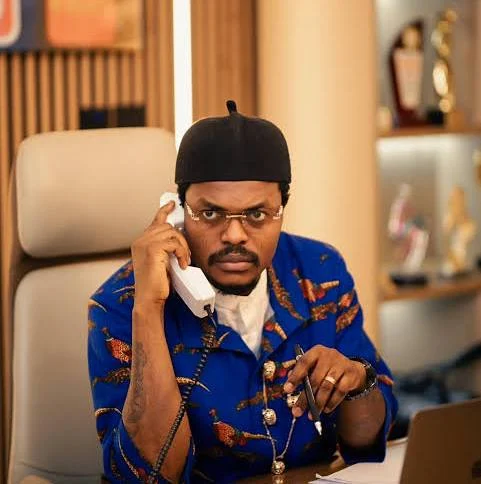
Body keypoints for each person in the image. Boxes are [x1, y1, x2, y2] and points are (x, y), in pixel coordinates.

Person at [88, 101, 398, 483]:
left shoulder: (320, 273)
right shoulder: (119, 304)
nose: (234, 235)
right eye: (210, 213)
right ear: (179, 212)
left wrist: (357, 383)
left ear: (282, 209)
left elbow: (369, 442)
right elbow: (149, 477)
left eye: (256, 215)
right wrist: (150, 309)